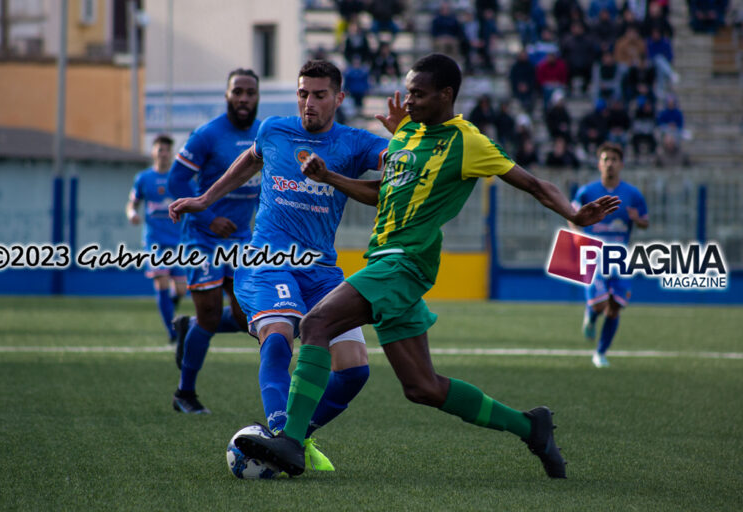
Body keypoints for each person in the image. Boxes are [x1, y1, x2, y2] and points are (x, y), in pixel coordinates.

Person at [233, 53, 620, 478]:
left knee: (316, 324)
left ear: (445, 95)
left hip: (404, 263)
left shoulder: (467, 141)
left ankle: (290, 440)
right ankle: (531, 427)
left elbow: (534, 183)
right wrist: (330, 177)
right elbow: (382, 192)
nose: (408, 99)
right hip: (387, 261)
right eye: (408, 90)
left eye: (418, 93)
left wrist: (574, 213)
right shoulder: (408, 135)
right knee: (423, 387)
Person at [169, 60, 396, 471]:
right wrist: (205, 200)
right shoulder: (274, 129)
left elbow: (397, 173)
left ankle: (291, 438)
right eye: (303, 93)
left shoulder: (355, 142)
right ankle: (279, 432)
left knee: (355, 371)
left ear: (339, 98)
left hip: (322, 269)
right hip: (268, 260)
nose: (309, 102)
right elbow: (251, 160)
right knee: (279, 336)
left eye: (320, 95)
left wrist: (403, 137)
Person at [167, 69, 261, 414]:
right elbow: (176, 181)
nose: (244, 98)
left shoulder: (264, 134)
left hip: (241, 240)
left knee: (244, 317)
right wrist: (207, 217)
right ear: (227, 95)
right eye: (238, 91)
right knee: (208, 316)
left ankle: (187, 328)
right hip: (202, 238)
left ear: (257, 96)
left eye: (250, 92)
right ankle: (184, 394)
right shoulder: (207, 135)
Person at [572, 142, 649, 367]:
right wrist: (577, 233)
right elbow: (572, 212)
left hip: (619, 258)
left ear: (621, 164)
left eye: (614, 160)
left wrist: (637, 220)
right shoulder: (587, 191)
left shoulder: (632, 194)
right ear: (599, 164)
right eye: (606, 159)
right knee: (599, 305)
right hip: (593, 255)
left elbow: (645, 221)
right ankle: (591, 314)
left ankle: (600, 353)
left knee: (615, 307)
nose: (610, 164)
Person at [126, 134, 187, 343]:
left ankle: (169, 311)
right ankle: (173, 333)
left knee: (180, 289)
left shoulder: (178, 178)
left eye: (167, 150)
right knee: (161, 281)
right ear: (153, 152)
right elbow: (132, 203)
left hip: (177, 241)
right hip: (154, 241)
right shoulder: (143, 178)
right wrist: (132, 214)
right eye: (160, 149)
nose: (164, 153)